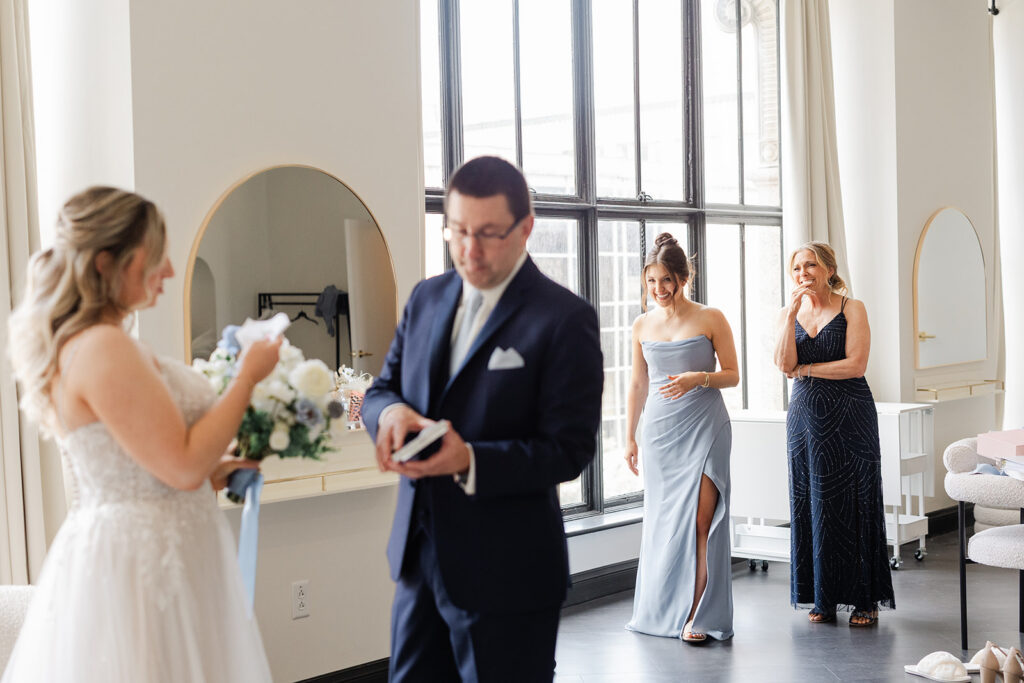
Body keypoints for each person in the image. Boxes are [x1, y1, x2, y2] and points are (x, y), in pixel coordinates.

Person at [3, 187, 280, 682]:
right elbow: (182, 464)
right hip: (140, 564)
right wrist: (248, 376)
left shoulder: (99, 342)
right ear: (108, 263)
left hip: (152, 547)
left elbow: (154, 467)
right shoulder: (103, 346)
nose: (169, 271)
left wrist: (215, 473)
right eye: (153, 258)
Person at [363, 156, 603, 682]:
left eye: (489, 234)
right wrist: (392, 414)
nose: (470, 251)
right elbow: (381, 390)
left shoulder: (565, 319)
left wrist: (469, 459)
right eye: (458, 231)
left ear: (526, 228)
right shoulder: (426, 298)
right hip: (419, 558)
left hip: (509, 571)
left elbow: (569, 450)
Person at [623, 233, 739, 644]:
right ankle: (661, 610)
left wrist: (698, 378)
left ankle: (696, 616)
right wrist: (629, 437)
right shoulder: (641, 324)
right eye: (652, 282)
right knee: (663, 524)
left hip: (705, 427)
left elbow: (733, 374)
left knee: (699, 523)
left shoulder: (710, 318)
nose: (659, 290)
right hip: (658, 434)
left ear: (683, 277)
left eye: (666, 280)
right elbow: (637, 383)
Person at [773, 241, 894, 627]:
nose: (803, 273)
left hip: (850, 415)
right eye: (796, 268)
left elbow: (855, 365)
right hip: (805, 418)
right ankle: (822, 596)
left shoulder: (851, 308)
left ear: (828, 268)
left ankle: (864, 599)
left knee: (853, 501)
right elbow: (783, 364)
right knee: (812, 502)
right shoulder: (788, 313)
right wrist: (790, 314)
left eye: (810, 265)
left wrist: (808, 371)